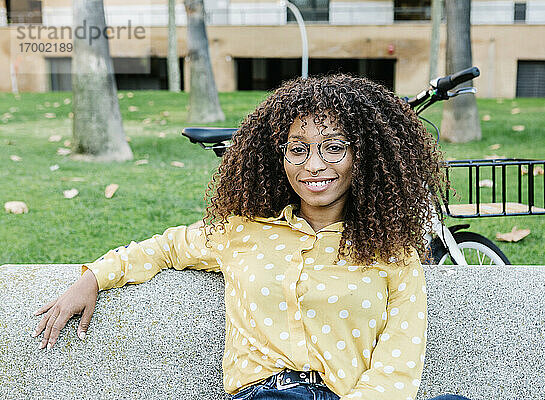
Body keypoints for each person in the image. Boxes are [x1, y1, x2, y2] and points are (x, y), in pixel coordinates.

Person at [32, 73, 470, 400]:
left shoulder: (391, 252)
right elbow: (165, 247)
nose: (313, 165)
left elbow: (398, 362)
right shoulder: (243, 231)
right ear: (278, 158)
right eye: (298, 149)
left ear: (364, 156)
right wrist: (91, 278)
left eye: (334, 147)